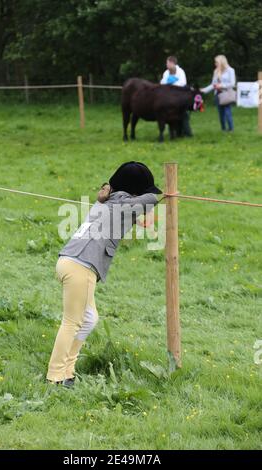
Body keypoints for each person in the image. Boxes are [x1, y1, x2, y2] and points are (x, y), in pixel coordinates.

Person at [46, 162, 163, 387]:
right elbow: (145, 201)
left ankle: (67, 370)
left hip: (71, 262)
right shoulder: (120, 205)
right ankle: (55, 376)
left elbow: (136, 211)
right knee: (72, 322)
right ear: (134, 191)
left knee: (89, 319)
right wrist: (161, 195)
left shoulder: (110, 201)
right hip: (81, 266)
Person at [200, 55, 236, 131]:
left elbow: (232, 83)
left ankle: (231, 129)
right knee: (221, 114)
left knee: (227, 112)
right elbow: (213, 84)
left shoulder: (230, 70)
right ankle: (223, 129)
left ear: (221, 62)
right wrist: (204, 90)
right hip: (218, 94)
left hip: (226, 94)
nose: (215, 64)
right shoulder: (216, 71)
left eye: (216, 62)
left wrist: (221, 85)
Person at [160, 55, 192, 137]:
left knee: (183, 115)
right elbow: (163, 83)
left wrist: (171, 85)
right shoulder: (166, 73)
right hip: (169, 97)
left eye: (167, 63)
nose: (166, 65)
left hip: (180, 97)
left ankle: (187, 132)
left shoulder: (180, 72)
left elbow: (182, 83)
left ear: (172, 63)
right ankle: (175, 132)